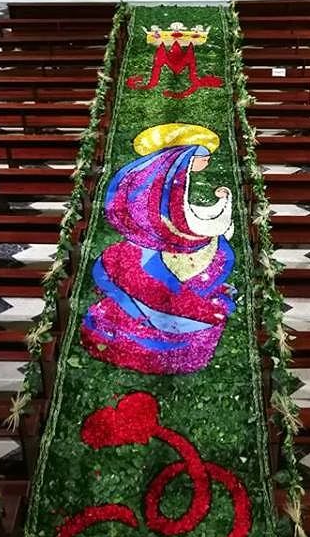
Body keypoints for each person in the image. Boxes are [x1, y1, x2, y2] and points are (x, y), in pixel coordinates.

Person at [81, 123, 235, 374]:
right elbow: (180, 219)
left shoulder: (173, 178)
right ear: (189, 157)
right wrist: (222, 209)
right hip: (161, 248)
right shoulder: (175, 181)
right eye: (204, 157)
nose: (207, 162)